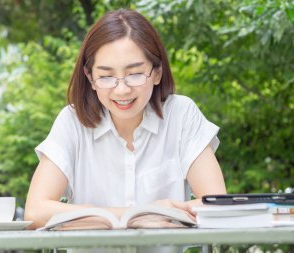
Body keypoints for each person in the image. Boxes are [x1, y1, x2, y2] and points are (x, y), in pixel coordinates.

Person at [25, 8, 226, 253]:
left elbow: (216, 205)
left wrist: (93, 219)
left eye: (134, 74)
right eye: (106, 76)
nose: (121, 90)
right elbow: (35, 212)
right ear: (90, 78)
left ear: (157, 72)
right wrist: (136, 216)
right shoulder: (72, 122)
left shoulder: (181, 115)